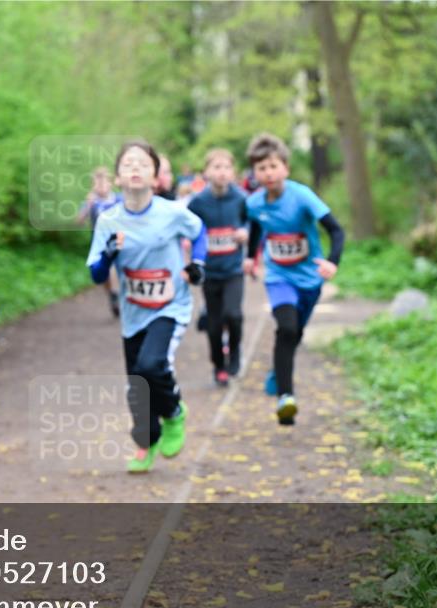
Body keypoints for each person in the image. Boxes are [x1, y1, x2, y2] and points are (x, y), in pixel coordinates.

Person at [86, 141, 206, 473]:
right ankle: (147, 443)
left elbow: (200, 233)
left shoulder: (172, 213)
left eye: (143, 164)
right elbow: (97, 274)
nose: (135, 168)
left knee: (152, 365)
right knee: (137, 386)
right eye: (128, 164)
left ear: (156, 176)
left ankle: (174, 413)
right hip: (133, 313)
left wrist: (197, 263)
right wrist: (110, 252)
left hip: (171, 305)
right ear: (118, 177)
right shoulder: (109, 220)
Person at [243, 133, 344, 426]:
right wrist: (251, 257)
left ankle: (278, 372)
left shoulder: (302, 196)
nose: (268, 173)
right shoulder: (254, 203)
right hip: (278, 277)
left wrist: (332, 262)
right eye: (261, 168)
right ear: (255, 173)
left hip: (310, 278)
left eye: (273, 166)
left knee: (296, 332)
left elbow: (336, 230)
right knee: (286, 328)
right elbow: (255, 229)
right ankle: (286, 398)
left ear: (285, 168)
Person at [187, 149, 248, 387]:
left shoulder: (241, 198)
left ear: (233, 172)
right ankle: (218, 366)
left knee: (234, 315)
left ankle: (234, 352)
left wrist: (246, 231)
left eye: (226, 167)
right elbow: (186, 228)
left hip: (233, 270)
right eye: (216, 167)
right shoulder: (198, 202)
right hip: (210, 272)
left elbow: (251, 221)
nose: (222, 172)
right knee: (213, 324)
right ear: (206, 173)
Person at [78, 167, 122, 317]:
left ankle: (117, 294)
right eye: (97, 183)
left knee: (114, 268)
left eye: (103, 182)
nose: (101, 186)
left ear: (110, 183)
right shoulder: (91, 201)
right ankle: (112, 294)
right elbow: (79, 221)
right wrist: (88, 205)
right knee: (103, 272)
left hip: (118, 238)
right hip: (99, 240)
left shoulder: (119, 199)